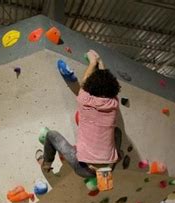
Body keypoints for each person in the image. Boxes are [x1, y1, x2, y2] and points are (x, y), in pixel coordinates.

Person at [36, 49, 122, 178]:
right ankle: (115, 156)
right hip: (108, 168)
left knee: (51, 135)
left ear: (90, 88)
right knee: (117, 132)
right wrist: (100, 63)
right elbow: (103, 82)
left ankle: (46, 164)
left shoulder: (84, 99)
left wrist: (93, 63)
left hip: (84, 169)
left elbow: (83, 82)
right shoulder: (114, 103)